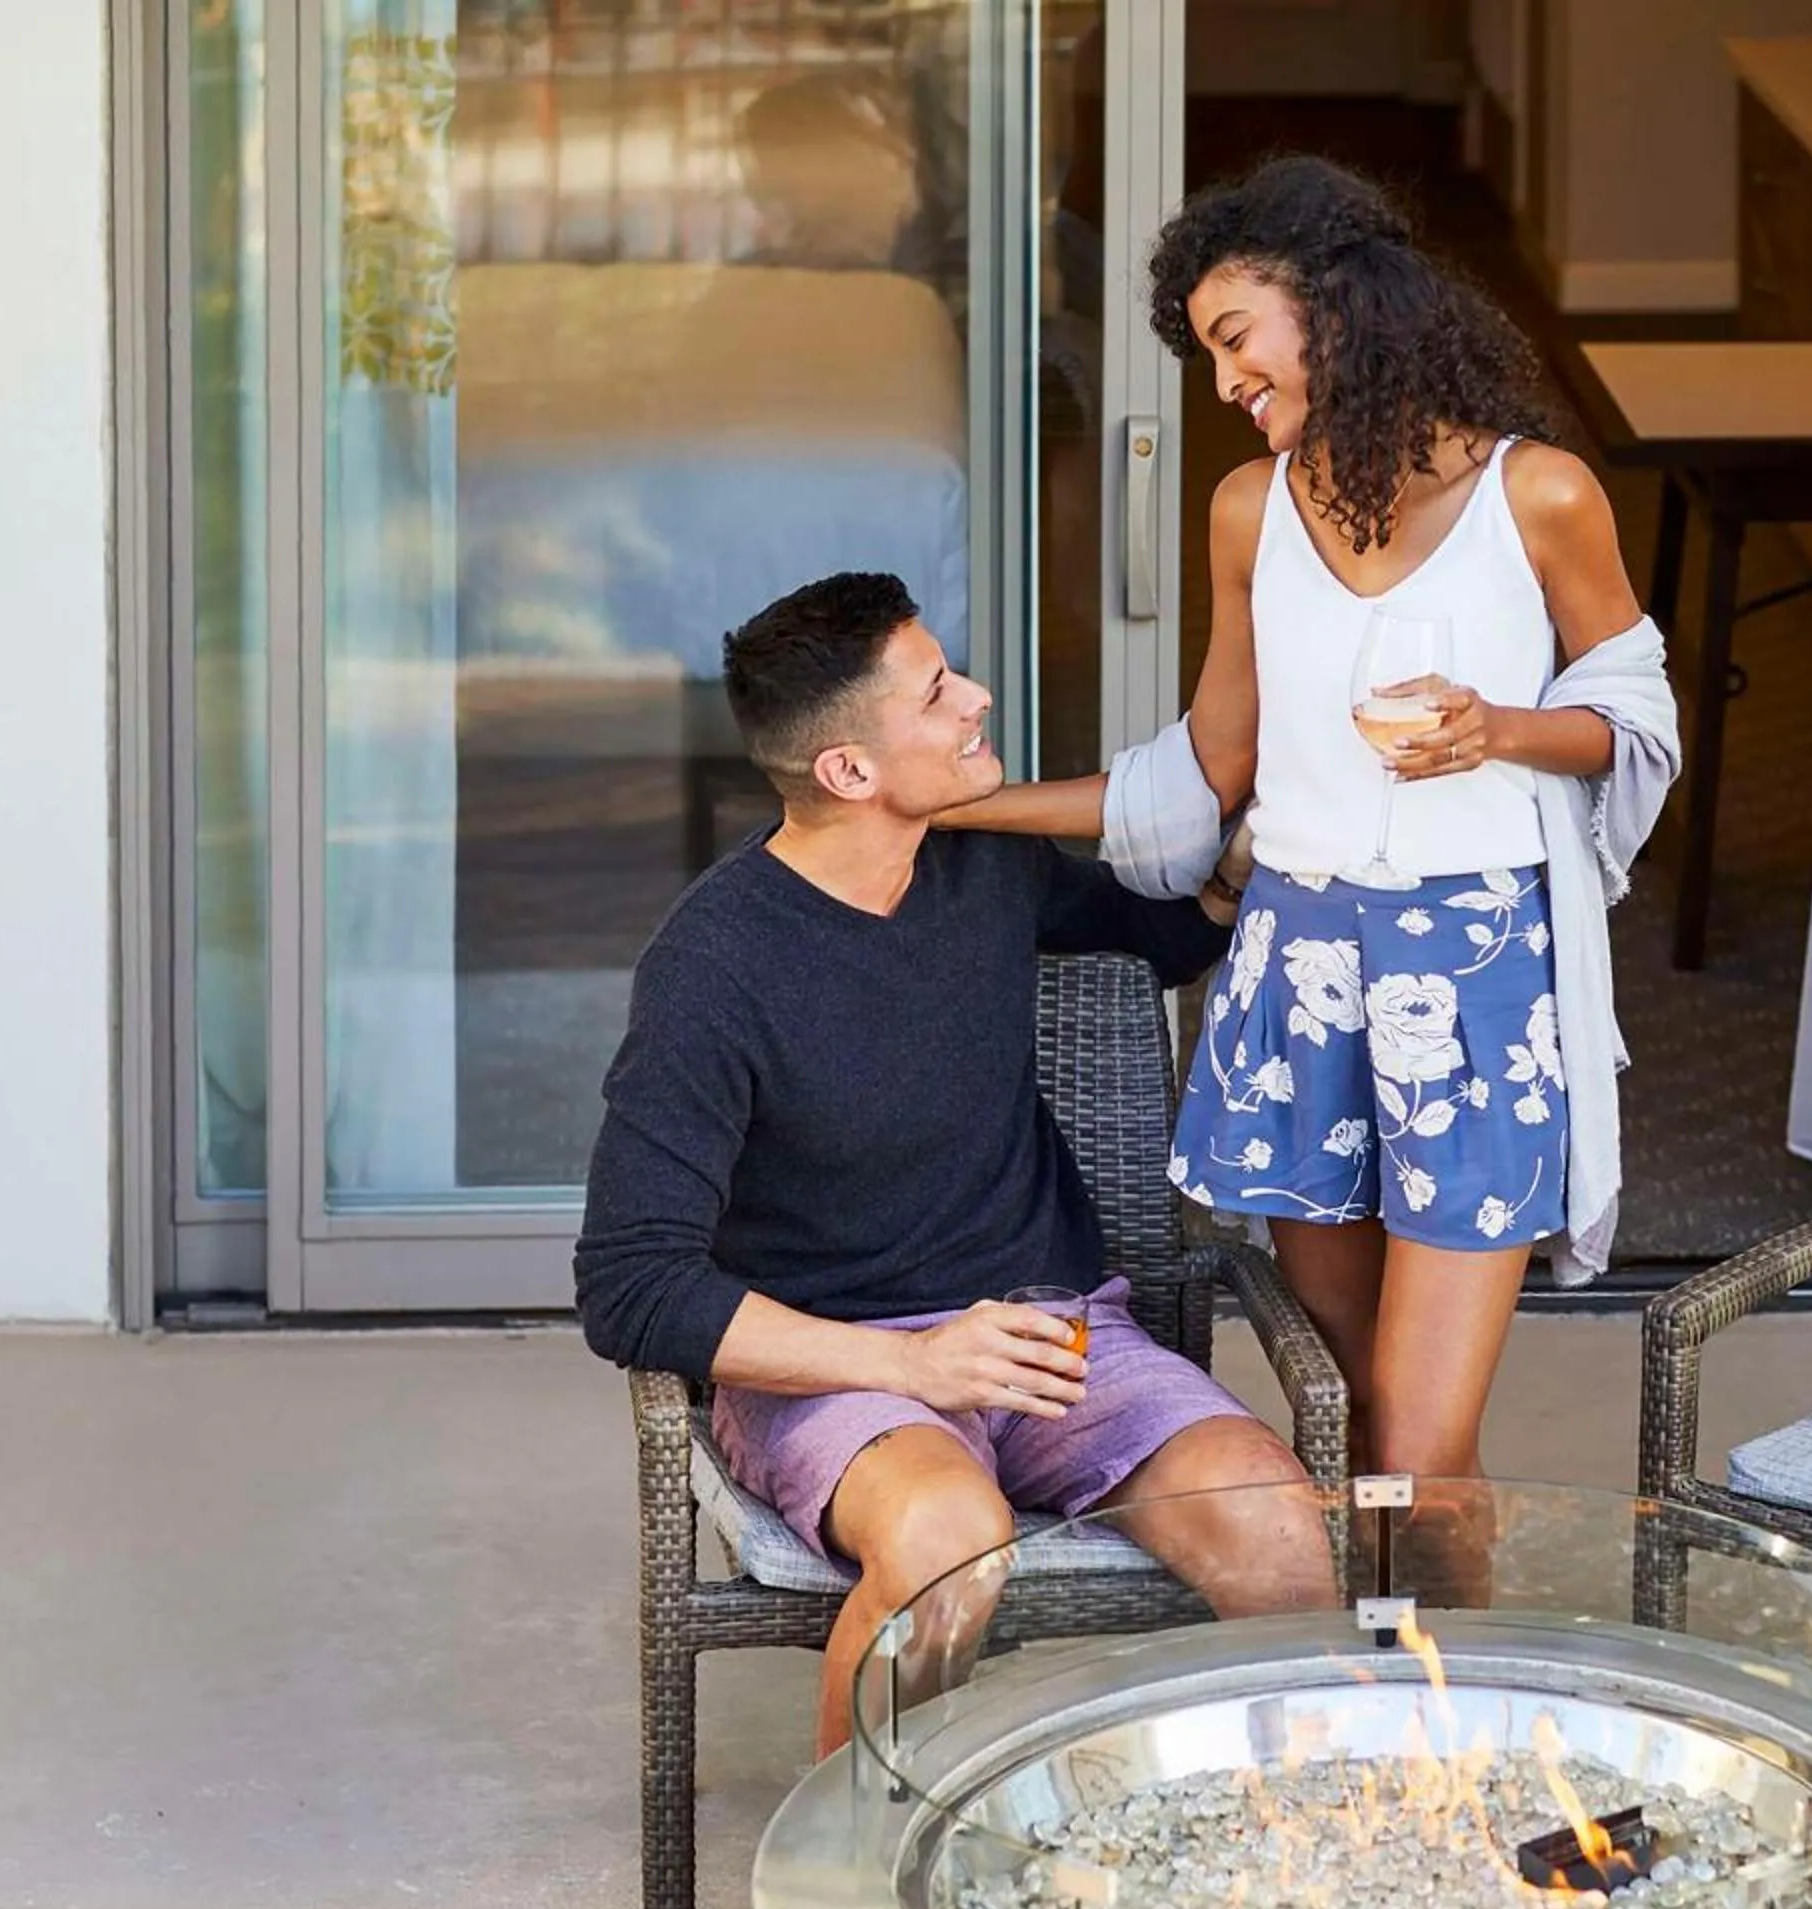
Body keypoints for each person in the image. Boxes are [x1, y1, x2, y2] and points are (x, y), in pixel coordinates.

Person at [952, 157, 1680, 1503]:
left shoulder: (1542, 496)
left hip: (1476, 978)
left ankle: (1435, 1707)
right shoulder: (1249, 513)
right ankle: (1400, 1676)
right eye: (1209, 355)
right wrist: (958, 801)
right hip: (1297, 970)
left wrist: (1497, 731)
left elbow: (1633, 718)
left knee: (1413, 1440)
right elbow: (1208, 769)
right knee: (1352, 1422)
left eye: (1236, 339)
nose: (1224, 381)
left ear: (1334, 307)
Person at [575, 571, 1328, 1757]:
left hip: (1053, 1335)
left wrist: (1254, 846)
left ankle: (1270, 1870)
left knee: (1280, 1530)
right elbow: (631, 1285)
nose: (977, 699)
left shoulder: (980, 865)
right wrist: (915, 1361)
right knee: (947, 1536)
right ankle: (850, 1906)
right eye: (937, 693)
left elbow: (1166, 932)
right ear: (849, 771)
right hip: (836, 1365)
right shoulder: (712, 968)